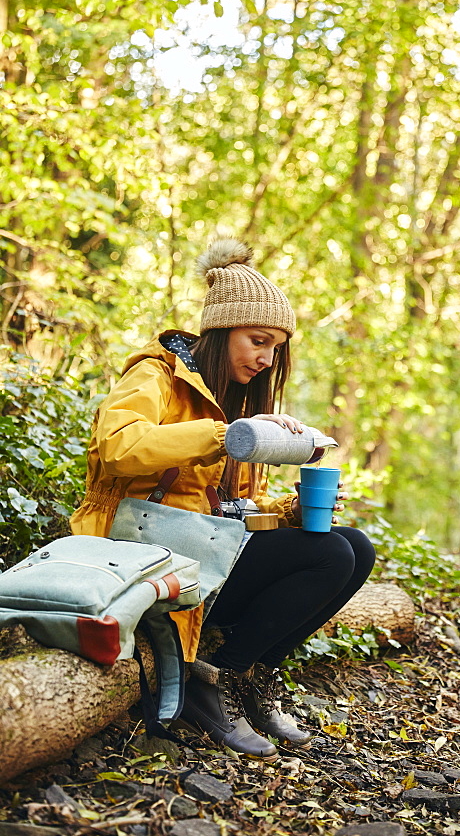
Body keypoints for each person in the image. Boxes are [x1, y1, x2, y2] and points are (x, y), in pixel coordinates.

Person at [70, 236, 375, 762]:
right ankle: (213, 681)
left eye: (275, 348)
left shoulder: (234, 401)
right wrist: (221, 433)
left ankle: (253, 676)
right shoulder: (156, 374)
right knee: (331, 554)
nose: (266, 357)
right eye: (258, 340)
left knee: (354, 546)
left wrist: (290, 513)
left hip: (204, 552)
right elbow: (118, 448)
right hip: (143, 557)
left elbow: (228, 510)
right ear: (220, 330)